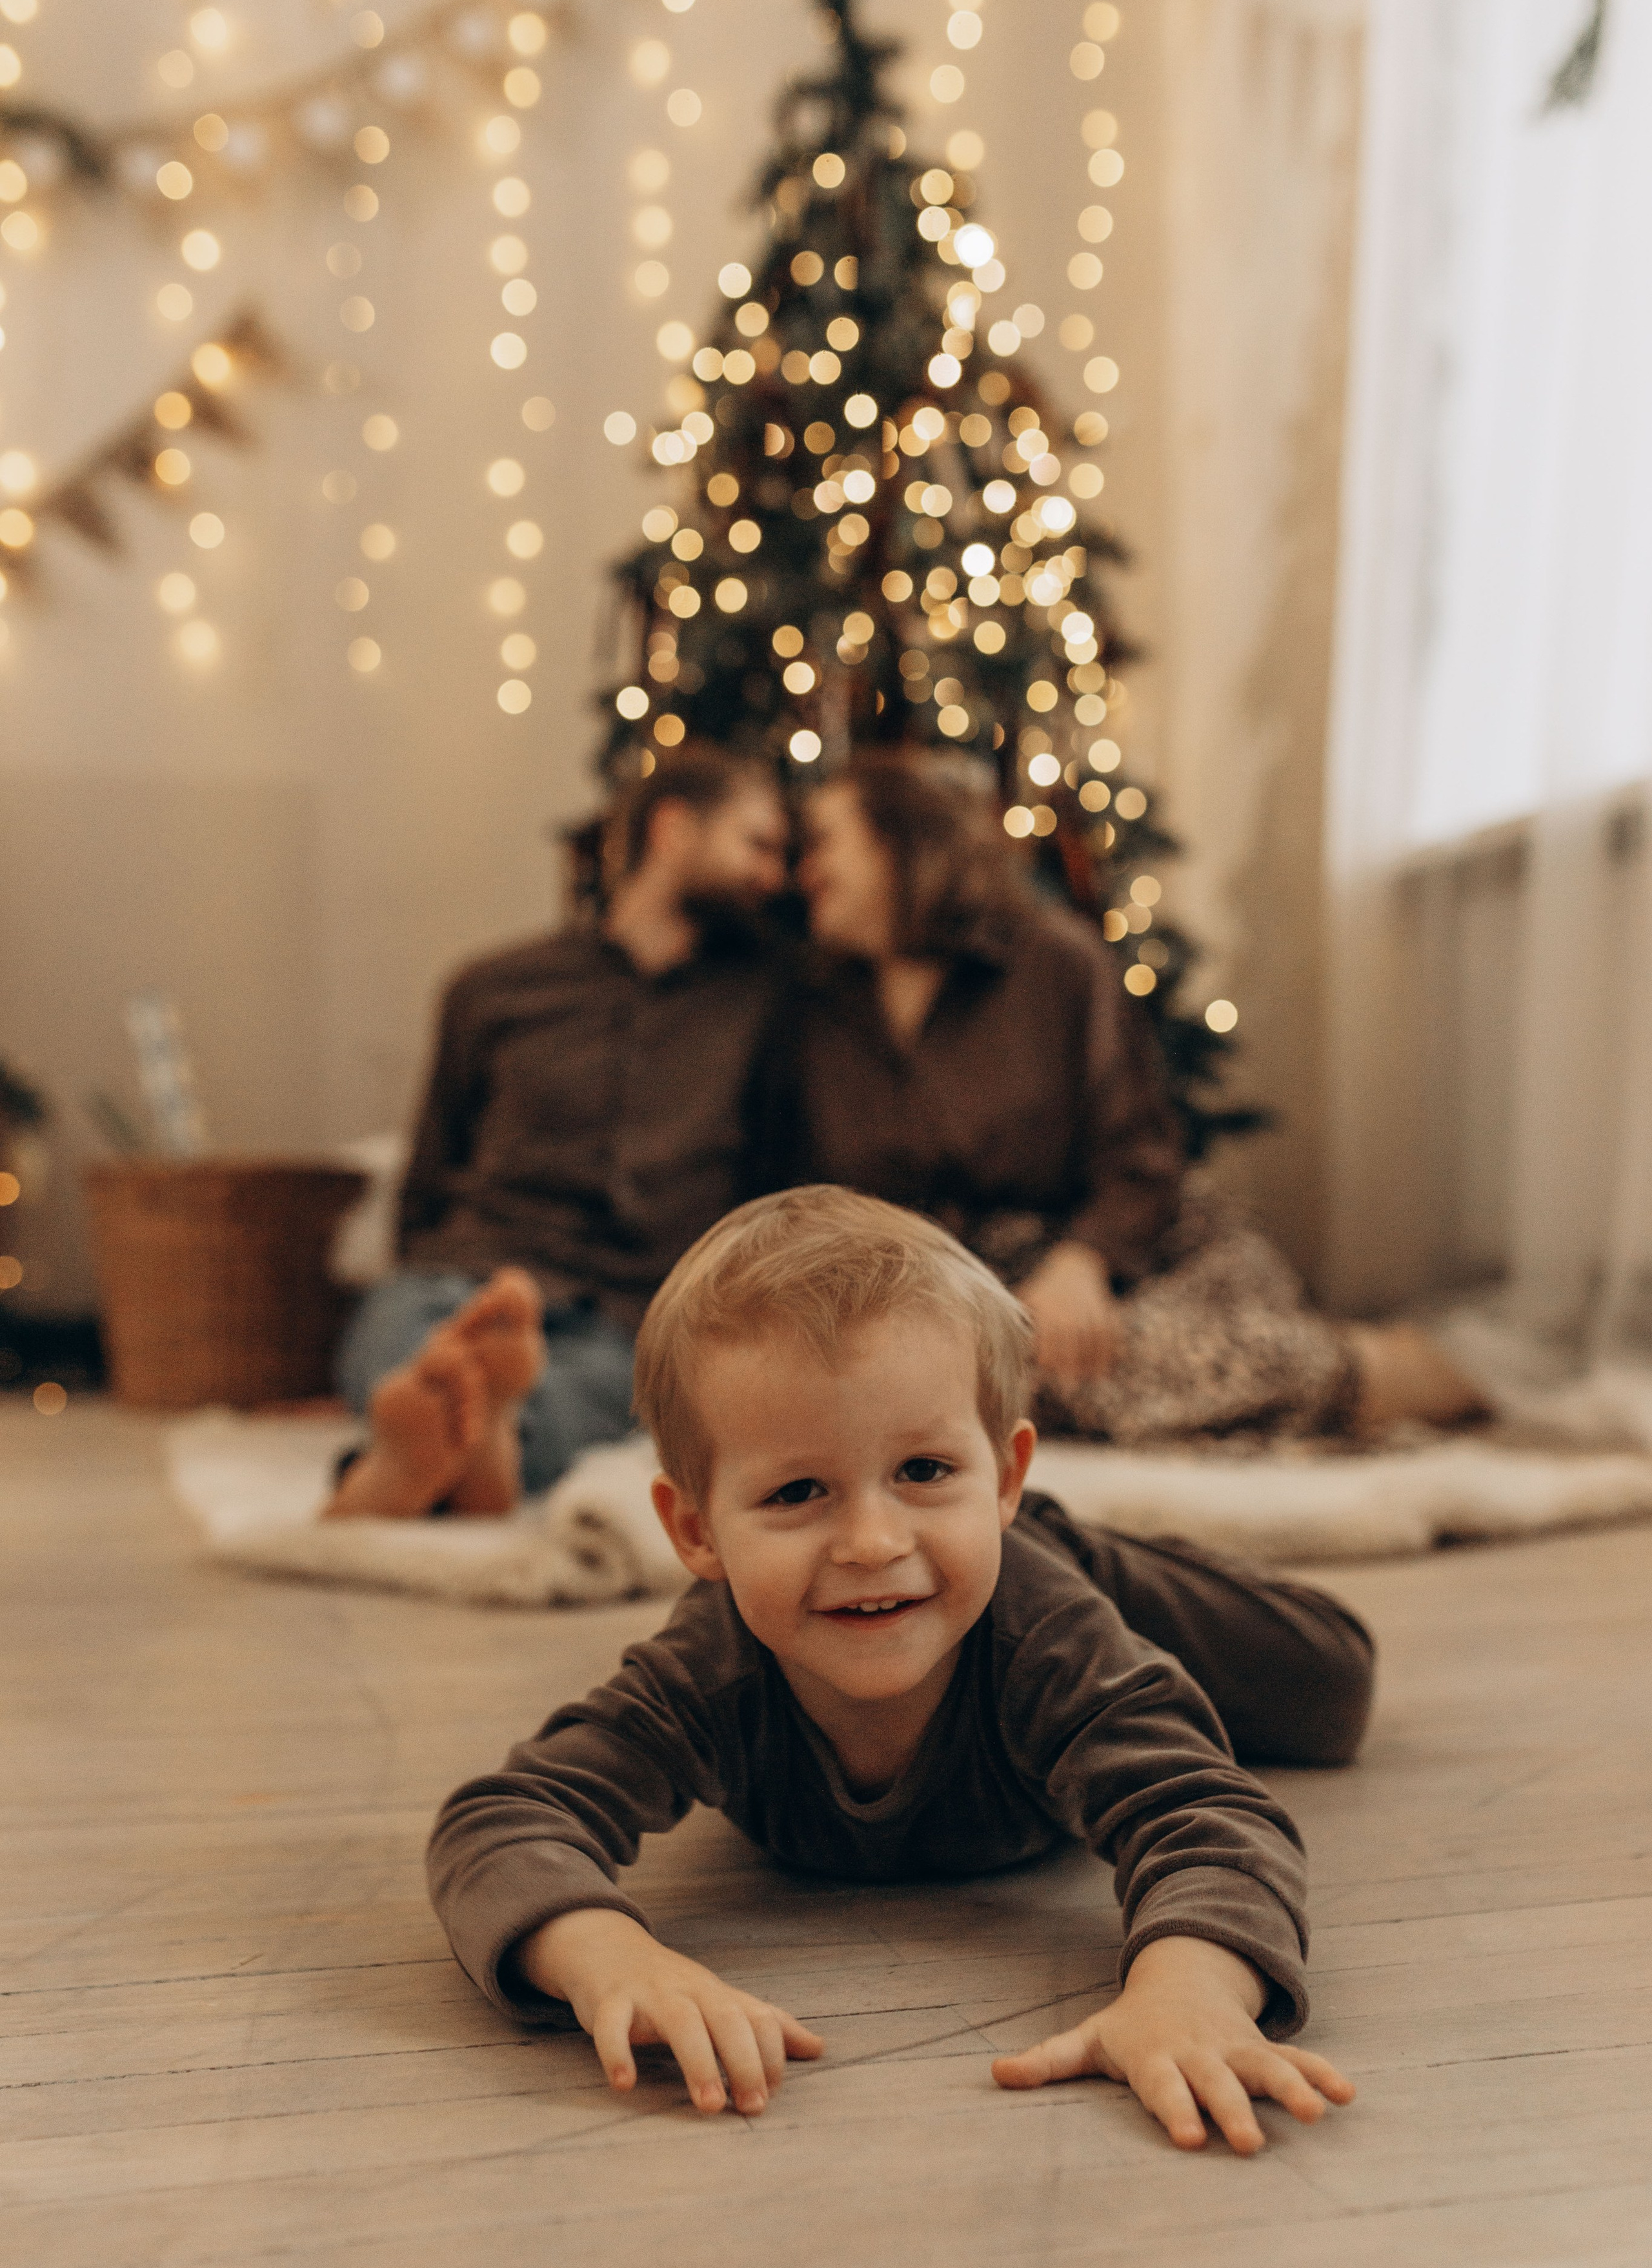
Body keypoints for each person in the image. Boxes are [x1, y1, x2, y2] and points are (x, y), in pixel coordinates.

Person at [427, 1185, 1369, 2151]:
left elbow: (1208, 1813)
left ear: (1003, 1474)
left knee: (1333, 1689)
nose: (873, 1542)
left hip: (1052, 1578)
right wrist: (609, 1956)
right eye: (799, 1491)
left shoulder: (1049, 1639)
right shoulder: (712, 1667)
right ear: (696, 1530)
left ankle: (1068, 1543)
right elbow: (499, 1822)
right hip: (984, 1563)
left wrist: (1188, 1992)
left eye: (924, 1470)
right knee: (989, 1571)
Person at [761, 752, 1484, 1443]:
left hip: (1137, 1251)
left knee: (1091, 1362)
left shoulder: (1055, 963)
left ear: (904, 841)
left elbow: (1140, 1152)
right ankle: (1349, 1369)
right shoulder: (814, 1012)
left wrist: (1081, 1266)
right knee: (985, 1382)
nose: (805, 870)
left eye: (825, 841)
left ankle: (1380, 1372)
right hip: (968, 1291)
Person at [327, 745, 791, 1519]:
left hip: (629, 1305)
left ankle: (418, 1465)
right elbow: (432, 1166)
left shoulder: (767, 1003)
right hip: (469, 1270)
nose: (772, 876)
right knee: (403, 1345)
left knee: (605, 1395)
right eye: (758, 844)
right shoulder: (494, 986)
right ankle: (463, 1443)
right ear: (673, 830)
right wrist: (423, 1266)